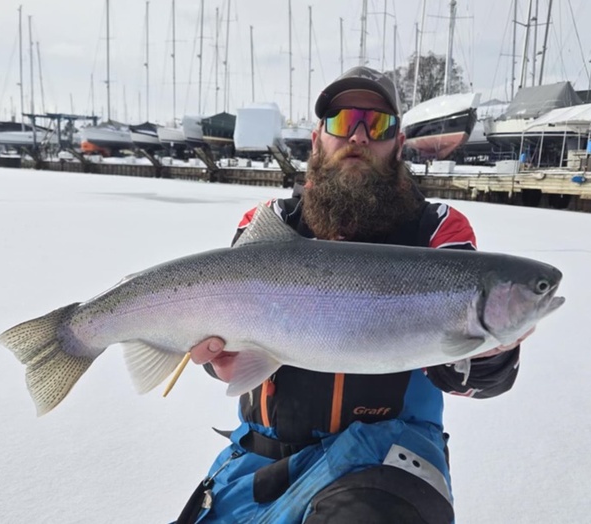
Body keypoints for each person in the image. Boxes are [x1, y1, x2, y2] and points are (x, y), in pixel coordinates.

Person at [175, 66, 534, 524]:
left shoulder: (438, 232)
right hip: (257, 458)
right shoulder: (269, 223)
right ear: (317, 138)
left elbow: (473, 377)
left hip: (389, 460)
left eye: (378, 123)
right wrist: (218, 356)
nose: (358, 136)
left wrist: (491, 353)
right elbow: (225, 340)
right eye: (342, 122)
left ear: (398, 143)